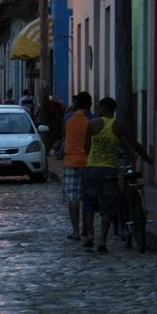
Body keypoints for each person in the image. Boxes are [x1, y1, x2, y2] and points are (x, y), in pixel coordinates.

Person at [82, 97, 153, 253]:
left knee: (88, 202)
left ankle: (89, 236)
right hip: (109, 169)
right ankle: (102, 241)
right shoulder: (118, 126)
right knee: (108, 205)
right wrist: (148, 159)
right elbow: (134, 144)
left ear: (102, 109)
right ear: (113, 110)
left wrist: (94, 156)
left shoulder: (92, 124)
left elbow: (86, 147)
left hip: (93, 167)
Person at [61, 92, 94, 241]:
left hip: (71, 160)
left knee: (73, 197)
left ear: (76, 104)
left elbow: (64, 134)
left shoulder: (68, 118)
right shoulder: (93, 119)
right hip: (88, 161)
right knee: (87, 197)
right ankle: (87, 230)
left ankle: (75, 231)